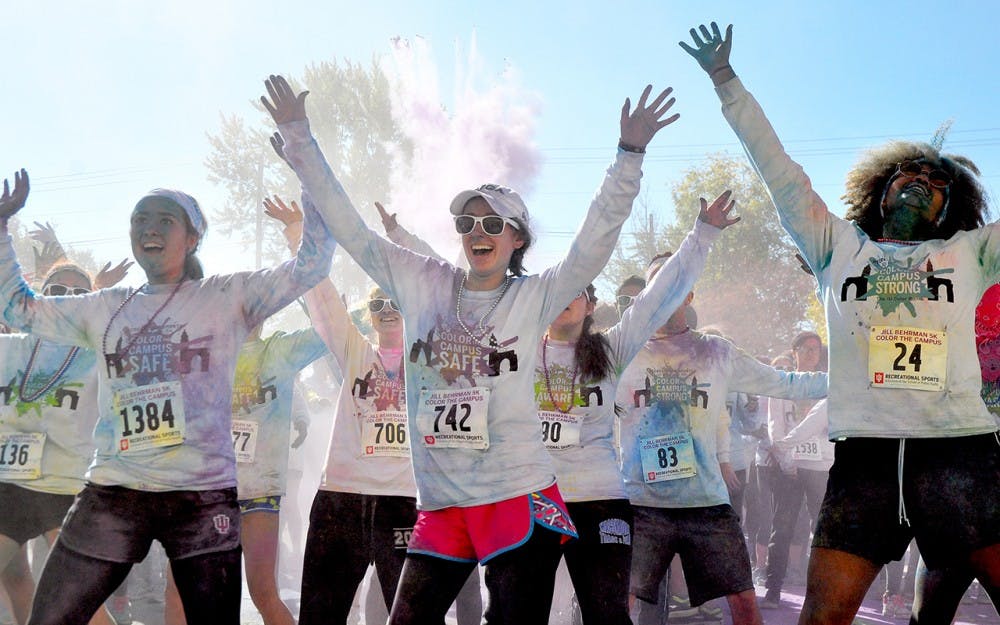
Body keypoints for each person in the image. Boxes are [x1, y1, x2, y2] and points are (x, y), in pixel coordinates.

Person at [264, 71, 679, 623]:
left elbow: (594, 242)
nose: (475, 231)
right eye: (466, 222)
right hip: (442, 504)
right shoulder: (423, 282)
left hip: (519, 497)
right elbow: (353, 230)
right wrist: (300, 140)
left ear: (517, 239)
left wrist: (629, 155)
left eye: (490, 222)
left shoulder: (534, 297)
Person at [682, 22, 1000, 625]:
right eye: (907, 175)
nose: (919, 185)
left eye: (935, 184)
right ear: (880, 191)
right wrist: (726, 81)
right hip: (864, 461)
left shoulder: (972, 251)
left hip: (961, 454)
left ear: (950, 206)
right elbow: (777, 169)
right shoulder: (834, 245)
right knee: (822, 617)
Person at [0, 148, 335, 624]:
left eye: (164, 220)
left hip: (201, 495)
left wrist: (304, 160)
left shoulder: (224, 297)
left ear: (193, 237)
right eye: (140, 220)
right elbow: (18, 309)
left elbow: (312, 265)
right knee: (50, 618)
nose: (149, 228)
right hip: (116, 487)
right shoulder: (106, 306)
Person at [538, 193, 738, 624]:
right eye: (557, 289)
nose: (565, 298)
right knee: (521, 609)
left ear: (591, 306)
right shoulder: (517, 352)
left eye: (578, 292)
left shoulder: (612, 349)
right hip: (533, 497)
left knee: (610, 612)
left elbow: (656, 298)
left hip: (601, 499)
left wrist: (701, 235)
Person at [620, 256, 828, 625]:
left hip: (706, 502)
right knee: (625, 605)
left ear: (690, 295)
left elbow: (785, 382)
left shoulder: (716, 351)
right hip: (643, 503)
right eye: (657, 284)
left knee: (745, 604)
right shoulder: (624, 351)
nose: (666, 291)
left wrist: (853, 380)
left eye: (676, 282)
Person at [163, 317, 329, 625]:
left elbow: (329, 331)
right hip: (207, 490)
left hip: (258, 492)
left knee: (263, 591)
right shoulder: (204, 354)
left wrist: (329, 305)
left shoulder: (279, 350)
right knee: (176, 589)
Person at [0, 259, 127, 625]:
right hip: (9, 484)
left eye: (78, 294)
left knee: (82, 605)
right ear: (40, 294)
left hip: (66, 488)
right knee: (15, 579)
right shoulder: (13, 345)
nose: (66, 300)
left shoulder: (97, 350)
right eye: (56, 291)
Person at [760, 331, 828, 608]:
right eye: (806, 348)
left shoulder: (826, 384)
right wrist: (786, 459)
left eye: (816, 349)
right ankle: (773, 589)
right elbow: (774, 424)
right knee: (783, 527)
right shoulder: (783, 384)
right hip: (787, 466)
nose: (812, 354)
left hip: (819, 467)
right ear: (794, 351)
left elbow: (827, 426)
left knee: (821, 529)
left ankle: (822, 590)